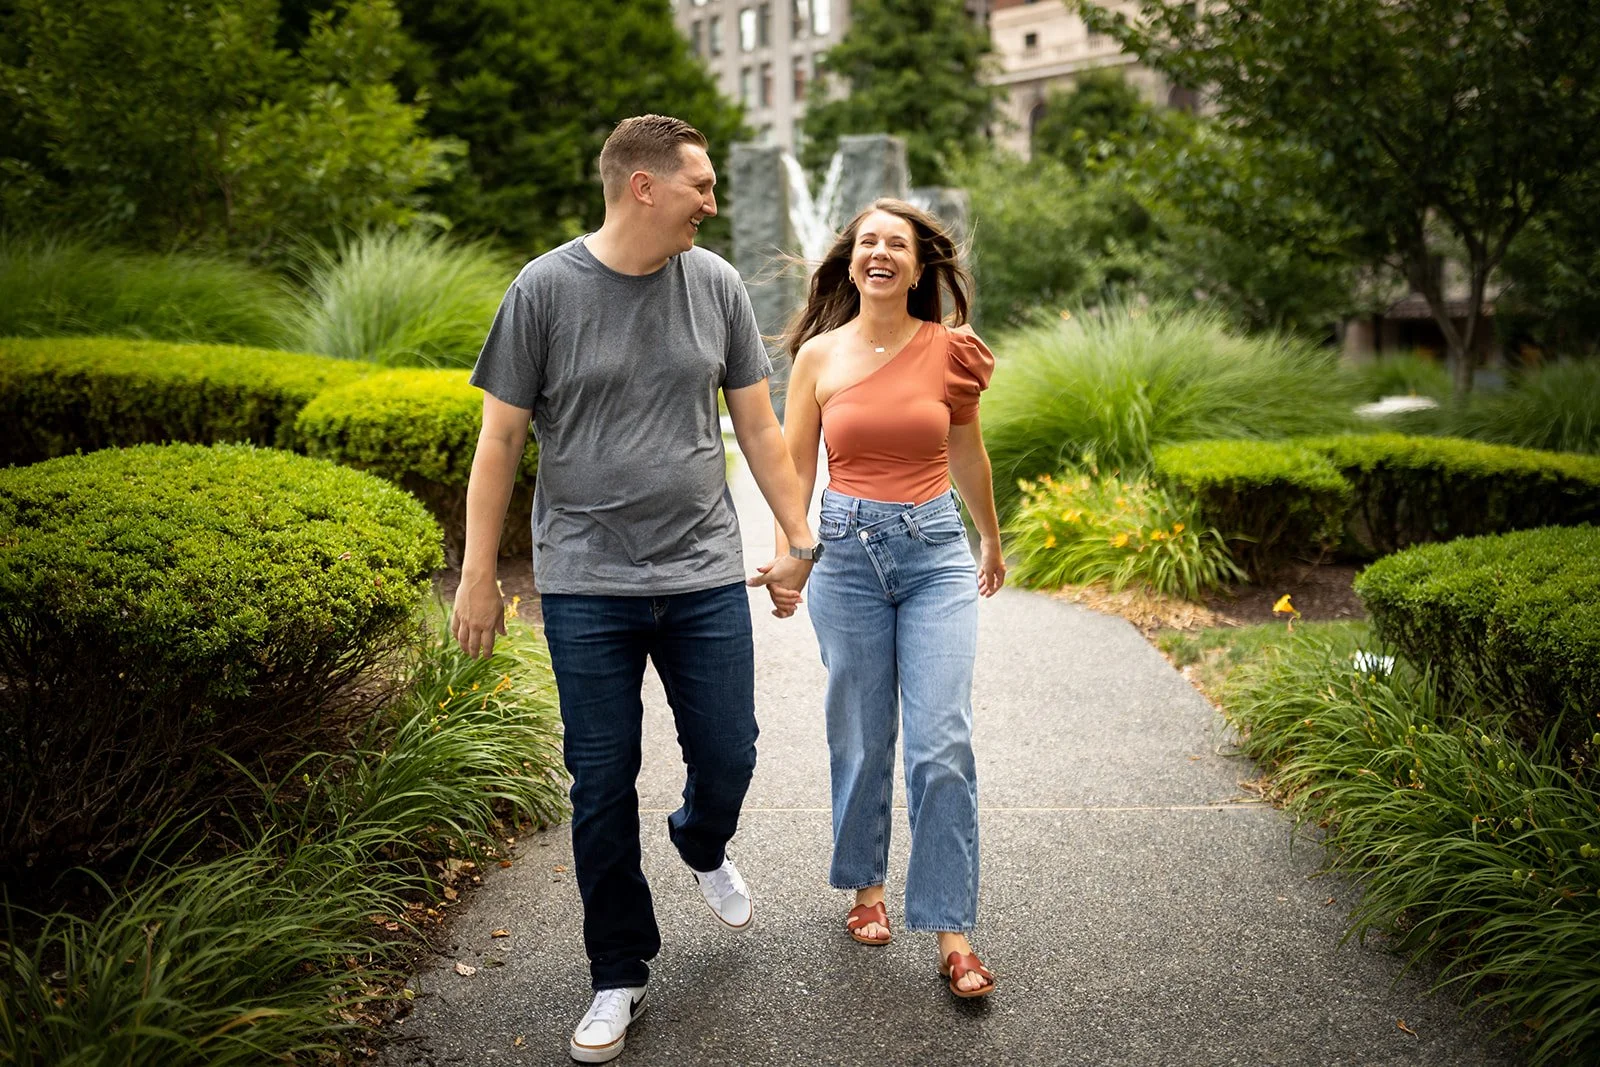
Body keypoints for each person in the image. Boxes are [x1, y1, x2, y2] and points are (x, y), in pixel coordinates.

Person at [452, 114, 820, 1064]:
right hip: (585, 581)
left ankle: (701, 839)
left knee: (730, 752)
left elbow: (761, 429)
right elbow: (498, 442)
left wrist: (798, 533)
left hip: (700, 571)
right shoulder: (543, 290)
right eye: (699, 184)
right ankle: (618, 970)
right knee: (601, 783)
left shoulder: (717, 286)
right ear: (643, 186)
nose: (712, 199)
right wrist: (478, 576)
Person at [769, 198, 1005, 999]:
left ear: (918, 265)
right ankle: (865, 888)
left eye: (895, 243)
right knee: (863, 734)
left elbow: (966, 447)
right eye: (867, 241)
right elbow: (794, 470)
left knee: (941, 743)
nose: (880, 252)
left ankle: (952, 930)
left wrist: (992, 538)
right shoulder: (817, 359)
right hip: (844, 556)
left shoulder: (953, 352)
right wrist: (791, 557)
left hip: (937, 553)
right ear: (849, 261)